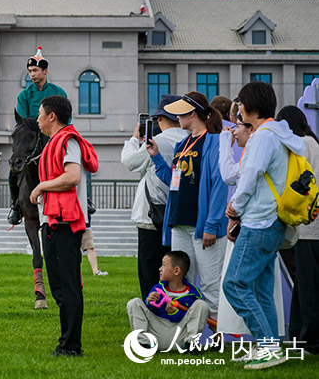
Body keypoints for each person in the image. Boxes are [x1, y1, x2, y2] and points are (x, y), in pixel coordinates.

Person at [222, 82, 305, 369]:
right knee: (259, 288)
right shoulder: (281, 134)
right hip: (274, 222)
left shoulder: (262, 137)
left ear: (252, 109)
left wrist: (236, 207)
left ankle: (268, 346)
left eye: (242, 105)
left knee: (234, 284)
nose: (240, 110)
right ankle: (270, 345)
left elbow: (251, 174)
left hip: (259, 222)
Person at [146, 92, 227, 319]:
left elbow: (219, 185)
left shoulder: (213, 141)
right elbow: (174, 181)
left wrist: (211, 224)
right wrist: (155, 157)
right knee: (184, 282)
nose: (176, 117)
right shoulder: (183, 142)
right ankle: (188, 332)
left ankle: (215, 336)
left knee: (211, 284)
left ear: (192, 113)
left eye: (180, 112)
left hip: (202, 226)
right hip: (179, 223)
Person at [30, 95, 99, 357]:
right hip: (53, 222)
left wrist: (40, 186)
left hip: (67, 225)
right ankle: (65, 342)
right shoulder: (53, 142)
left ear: (52, 116)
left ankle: (72, 346)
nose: (37, 119)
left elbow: (72, 177)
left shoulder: (68, 140)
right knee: (58, 287)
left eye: (40, 114)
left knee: (69, 286)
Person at [123, 95, 189, 298]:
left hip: (151, 217)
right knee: (176, 274)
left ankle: (152, 313)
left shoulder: (158, 141)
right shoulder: (188, 141)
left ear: (159, 119)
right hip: (178, 215)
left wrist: (135, 138)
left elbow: (130, 161)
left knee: (150, 273)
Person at [276, 106, 319, 355]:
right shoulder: (313, 142)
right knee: (305, 286)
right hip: (312, 228)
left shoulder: (298, 145)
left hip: (307, 227)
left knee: (308, 288)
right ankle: (300, 336)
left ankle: (310, 341)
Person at [9, 47, 68, 225]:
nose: (32, 75)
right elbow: (22, 121)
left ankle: (85, 200)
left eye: (35, 70)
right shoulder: (24, 95)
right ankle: (16, 206)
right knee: (13, 169)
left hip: (56, 136)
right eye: (29, 71)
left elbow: (66, 117)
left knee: (74, 160)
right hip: (33, 136)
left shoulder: (58, 92)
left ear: (45, 71)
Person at [126, 250, 210, 350]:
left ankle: (190, 344)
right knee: (134, 303)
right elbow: (146, 312)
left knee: (201, 305)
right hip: (156, 333)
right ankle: (144, 343)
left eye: (164, 265)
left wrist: (175, 313)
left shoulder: (193, 294)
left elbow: (192, 318)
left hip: (180, 335)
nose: (160, 269)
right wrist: (149, 302)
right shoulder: (158, 288)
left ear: (176, 271)